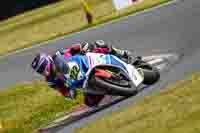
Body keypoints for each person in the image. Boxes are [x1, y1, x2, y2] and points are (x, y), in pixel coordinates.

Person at [31, 40, 133, 106]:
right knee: (89, 102)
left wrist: (82, 47)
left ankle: (120, 53)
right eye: (40, 70)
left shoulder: (59, 55)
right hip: (83, 82)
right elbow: (64, 91)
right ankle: (112, 88)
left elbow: (74, 48)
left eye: (43, 66)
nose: (43, 70)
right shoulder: (50, 80)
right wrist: (69, 94)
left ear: (47, 60)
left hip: (87, 63)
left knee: (98, 45)